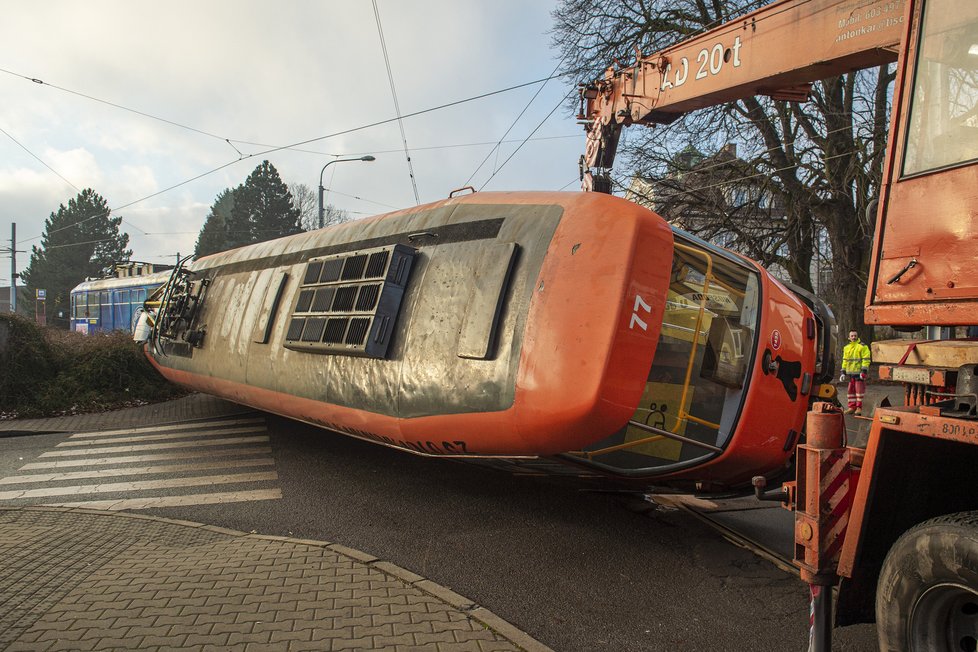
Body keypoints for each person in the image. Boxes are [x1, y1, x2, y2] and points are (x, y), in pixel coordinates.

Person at [840, 330, 872, 415]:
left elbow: (866, 359)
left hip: (859, 374)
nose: (853, 337)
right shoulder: (846, 347)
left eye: (855, 336)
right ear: (849, 337)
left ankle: (859, 408)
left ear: (857, 336)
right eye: (852, 336)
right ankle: (852, 407)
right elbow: (845, 361)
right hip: (851, 375)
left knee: (859, 392)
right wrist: (843, 372)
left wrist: (864, 371)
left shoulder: (862, 346)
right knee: (850, 392)